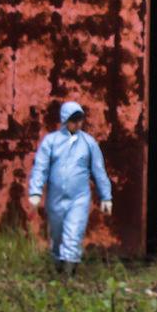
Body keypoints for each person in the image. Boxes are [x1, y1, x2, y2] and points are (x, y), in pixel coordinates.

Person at [26, 100, 113, 277]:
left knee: (74, 233)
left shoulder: (89, 143)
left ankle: (69, 274)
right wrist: (35, 190)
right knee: (57, 236)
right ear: (65, 120)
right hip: (55, 198)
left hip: (78, 198)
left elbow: (99, 170)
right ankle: (58, 266)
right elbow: (41, 167)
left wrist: (106, 197)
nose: (77, 124)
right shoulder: (51, 141)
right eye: (74, 120)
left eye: (80, 120)